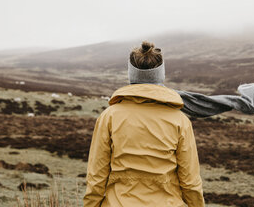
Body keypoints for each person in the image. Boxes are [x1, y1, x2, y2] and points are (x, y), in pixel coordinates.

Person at [83, 41, 205, 207]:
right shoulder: (180, 120)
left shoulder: (109, 117)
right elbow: (190, 182)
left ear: (131, 74)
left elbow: (96, 177)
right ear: (161, 74)